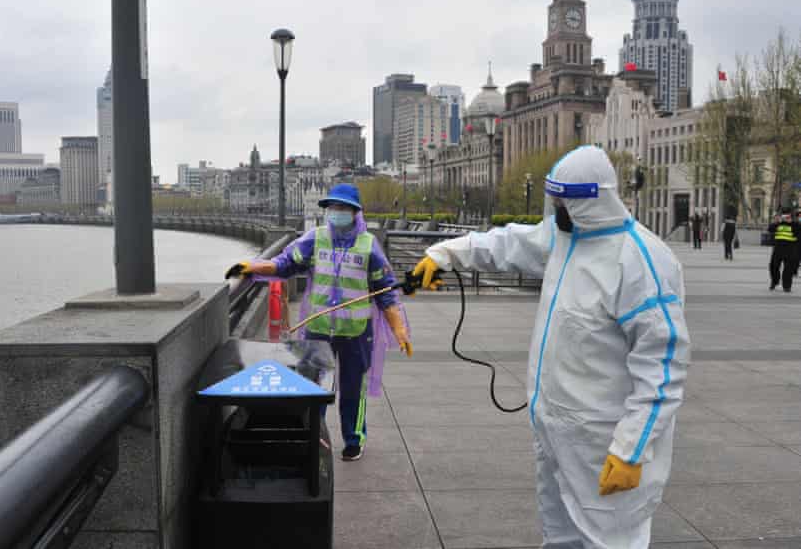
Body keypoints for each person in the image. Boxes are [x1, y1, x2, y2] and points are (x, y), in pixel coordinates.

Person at [412, 146, 691, 548]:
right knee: (560, 534)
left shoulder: (642, 263)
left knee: (609, 539)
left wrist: (633, 447)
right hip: (557, 431)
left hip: (604, 441)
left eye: (563, 200)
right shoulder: (566, 238)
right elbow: (507, 244)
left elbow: (664, 366)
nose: (556, 208)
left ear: (591, 199)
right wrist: (445, 254)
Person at [225, 184, 412, 461]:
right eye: (332, 208)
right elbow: (284, 264)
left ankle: (353, 439)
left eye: (342, 208)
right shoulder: (315, 239)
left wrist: (399, 328)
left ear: (355, 212)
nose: (336, 213)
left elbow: (385, 291)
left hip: (356, 332)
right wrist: (250, 267)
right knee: (314, 387)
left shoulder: (368, 246)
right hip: (319, 329)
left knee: (353, 389)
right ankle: (315, 436)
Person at [767, 209, 801, 293]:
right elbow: (770, 229)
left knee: (788, 270)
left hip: (790, 250)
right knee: (773, 267)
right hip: (778, 250)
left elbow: (798, 233)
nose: (786, 218)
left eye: (788, 217)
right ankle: (774, 282)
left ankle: (787, 286)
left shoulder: (795, 225)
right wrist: (776, 221)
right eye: (784, 216)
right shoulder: (778, 224)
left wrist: (791, 223)